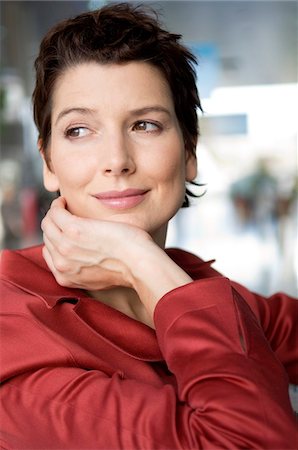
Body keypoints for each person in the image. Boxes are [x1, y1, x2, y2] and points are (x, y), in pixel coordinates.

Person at [0, 3, 297, 449]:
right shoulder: (15, 325)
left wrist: (147, 269)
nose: (117, 160)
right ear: (48, 162)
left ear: (189, 152)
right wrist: (143, 261)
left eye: (145, 124)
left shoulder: (186, 278)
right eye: (79, 130)